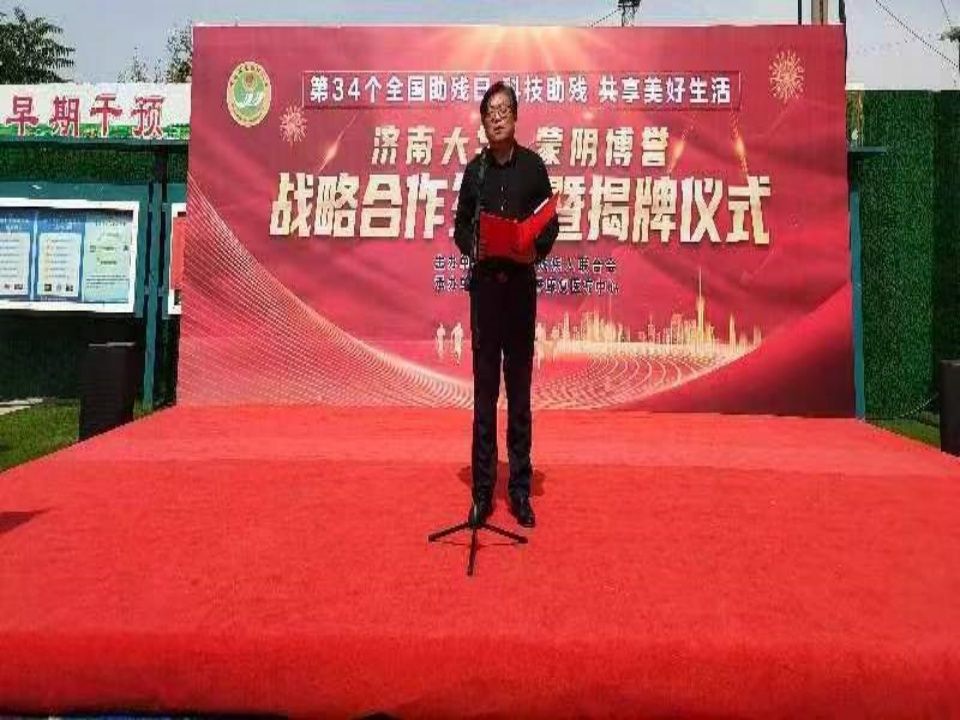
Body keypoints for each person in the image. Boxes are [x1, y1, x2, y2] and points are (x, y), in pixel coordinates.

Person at [454, 81, 559, 528]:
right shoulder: (475, 172)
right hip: (486, 294)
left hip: (519, 291)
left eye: (503, 110)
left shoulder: (533, 167)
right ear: (483, 122)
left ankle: (518, 489)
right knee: (484, 396)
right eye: (489, 112)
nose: (496, 118)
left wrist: (535, 249)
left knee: (518, 394)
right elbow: (460, 227)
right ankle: (482, 491)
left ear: (515, 117)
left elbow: (549, 224)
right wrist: (473, 244)